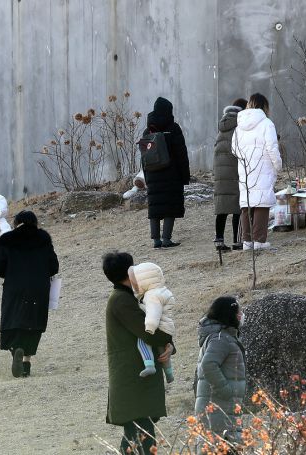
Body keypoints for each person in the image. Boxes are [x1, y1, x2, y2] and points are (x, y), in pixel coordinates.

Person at [102, 252, 174, 455]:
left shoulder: (129, 297)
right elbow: (147, 332)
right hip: (133, 375)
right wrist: (168, 342)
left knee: (139, 431)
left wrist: (169, 346)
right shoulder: (121, 301)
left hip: (136, 374)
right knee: (140, 432)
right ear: (128, 273)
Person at [0, 210, 59, 378]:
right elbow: (54, 266)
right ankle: (26, 363)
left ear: (17, 223)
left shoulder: (7, 239)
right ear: (34, 222)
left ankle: (16, 348)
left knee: (14, 319)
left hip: (15, 286)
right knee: (33, 322)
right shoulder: (43, 239)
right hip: (39, 287)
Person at [232, 93, 282, 250]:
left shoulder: (239, 125)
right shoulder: (267, 124)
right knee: (262, 202)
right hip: (263, 167)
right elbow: (272, 148)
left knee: (246, 204)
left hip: (245, 167)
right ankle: (259, 241)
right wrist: (278, 165)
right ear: (264, 106)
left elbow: (234, 149)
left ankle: (247, 241)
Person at [194, 296, 246, 445]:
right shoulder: (220, 339)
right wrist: (226, 391)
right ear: (230, 314)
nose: (242, 315)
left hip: (222, 407)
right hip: (218, 406)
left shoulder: (223, 337)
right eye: (239, 312)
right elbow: (209, 365)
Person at [143, 97, 191, 249]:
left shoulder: (147, 130)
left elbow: (144, 157)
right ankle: (166, 239)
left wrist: (146, 177)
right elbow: (181, 154)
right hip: (172, 174)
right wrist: (185, 176)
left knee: (155, 206)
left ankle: (156, 240)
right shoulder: (174, 128)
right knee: (170, 205)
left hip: (152, 174)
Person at [127, 262, 176, 383]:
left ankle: (149, 365)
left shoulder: (151, 295)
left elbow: (153, 313)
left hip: (156, 327)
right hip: (167, 329)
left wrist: (149, 328)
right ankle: (169, 373)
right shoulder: (162, 291)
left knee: (142, 341)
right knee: (163, 351)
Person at [213, 98, 248, 251]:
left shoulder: (222, 127)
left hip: (220, 172)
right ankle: (237, 241)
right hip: (234, 170)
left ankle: (219, 241)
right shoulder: (239, 127)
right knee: (237, 207)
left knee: (222, 207)